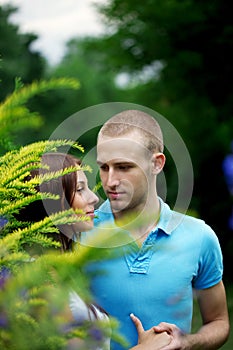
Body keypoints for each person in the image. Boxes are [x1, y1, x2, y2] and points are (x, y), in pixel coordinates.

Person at [83, 109, 230, 349]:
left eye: (123, 167)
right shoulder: (81, 233)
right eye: (104, 167)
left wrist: (187, 342)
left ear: (156, 164)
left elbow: (219, 321)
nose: (109, 181)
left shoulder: (200, 237)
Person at [19, 152, 171, 350]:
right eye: (80, 190)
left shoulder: (57, 269)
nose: (94, 198)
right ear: (52, 203)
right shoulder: (44, 284)